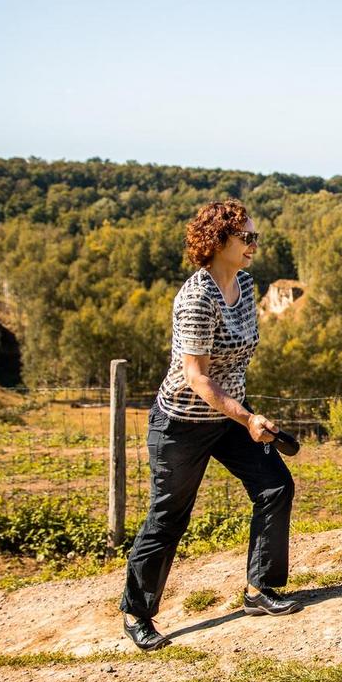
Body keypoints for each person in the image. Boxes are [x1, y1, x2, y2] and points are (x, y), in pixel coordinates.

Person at [120, 200, 300, 650]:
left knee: (275, 486)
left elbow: (234, 360)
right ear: (219, 242)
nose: (254, 245)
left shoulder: (244, 282)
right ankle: (137, 613)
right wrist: (247, 417)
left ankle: (260, 590)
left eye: (256, 237)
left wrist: (243, 415)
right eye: (247, 238)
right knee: (168, 516)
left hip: (229, 416)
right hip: (181, 422)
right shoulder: (197, 298)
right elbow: (197, 377)